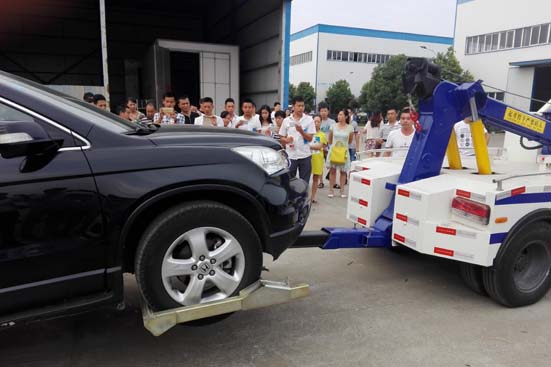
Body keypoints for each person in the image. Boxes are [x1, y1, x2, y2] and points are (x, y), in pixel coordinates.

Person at [279, 96, 316, 183]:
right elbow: (281, 138)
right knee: (289, 181)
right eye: (298, 106)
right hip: (291, 155)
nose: (301, 108)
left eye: (302, 106)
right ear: (293, 107)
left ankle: (303, 196)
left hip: (305, 155)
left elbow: (310, 138)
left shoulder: (309, 120)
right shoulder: (286, 120)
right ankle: (290, 197)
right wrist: (286, 140)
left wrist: (301, 131)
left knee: (305, 181)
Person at [326, 109, 354, 198]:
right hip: (334, 150)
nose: (339, 116)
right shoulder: (333, 126)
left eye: (341, 115)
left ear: (346, 116)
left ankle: (342, 190)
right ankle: (331, 190)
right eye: (338, 114)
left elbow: (349, 141)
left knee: (343, 172)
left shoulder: (350, 127)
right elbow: (330, 139)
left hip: (344, 152)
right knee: (332, 171)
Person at [310, 115, 327, 203]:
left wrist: (309, 146)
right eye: (314, 121)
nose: (316, 123)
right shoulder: (308, 133)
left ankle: (313, 196)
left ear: (321, 123)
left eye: (318, 121)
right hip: (308, 158)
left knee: (315, 178)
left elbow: (320, 146)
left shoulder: (322, 135)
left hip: (318, 158)